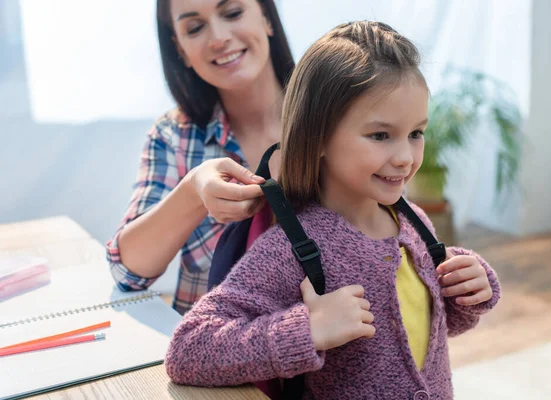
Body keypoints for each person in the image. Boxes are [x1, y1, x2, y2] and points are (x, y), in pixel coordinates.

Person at [163, 21, 501, 399]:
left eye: (416, 133)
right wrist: (307, 329)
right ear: (318, 136)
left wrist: (468, 293)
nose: (405, 157)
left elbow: (424, 332)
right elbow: (188, 350)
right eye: (380, 135)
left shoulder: (415, 224)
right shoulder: (291, 249)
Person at [106, 0, 294, 314]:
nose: (218, 37)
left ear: (267, 18)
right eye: (194, 28)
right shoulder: (174, 136)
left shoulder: (335, 119)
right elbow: (128, 272)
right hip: (211, 354)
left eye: (233, 13)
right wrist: (193, 191)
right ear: (180, 50)